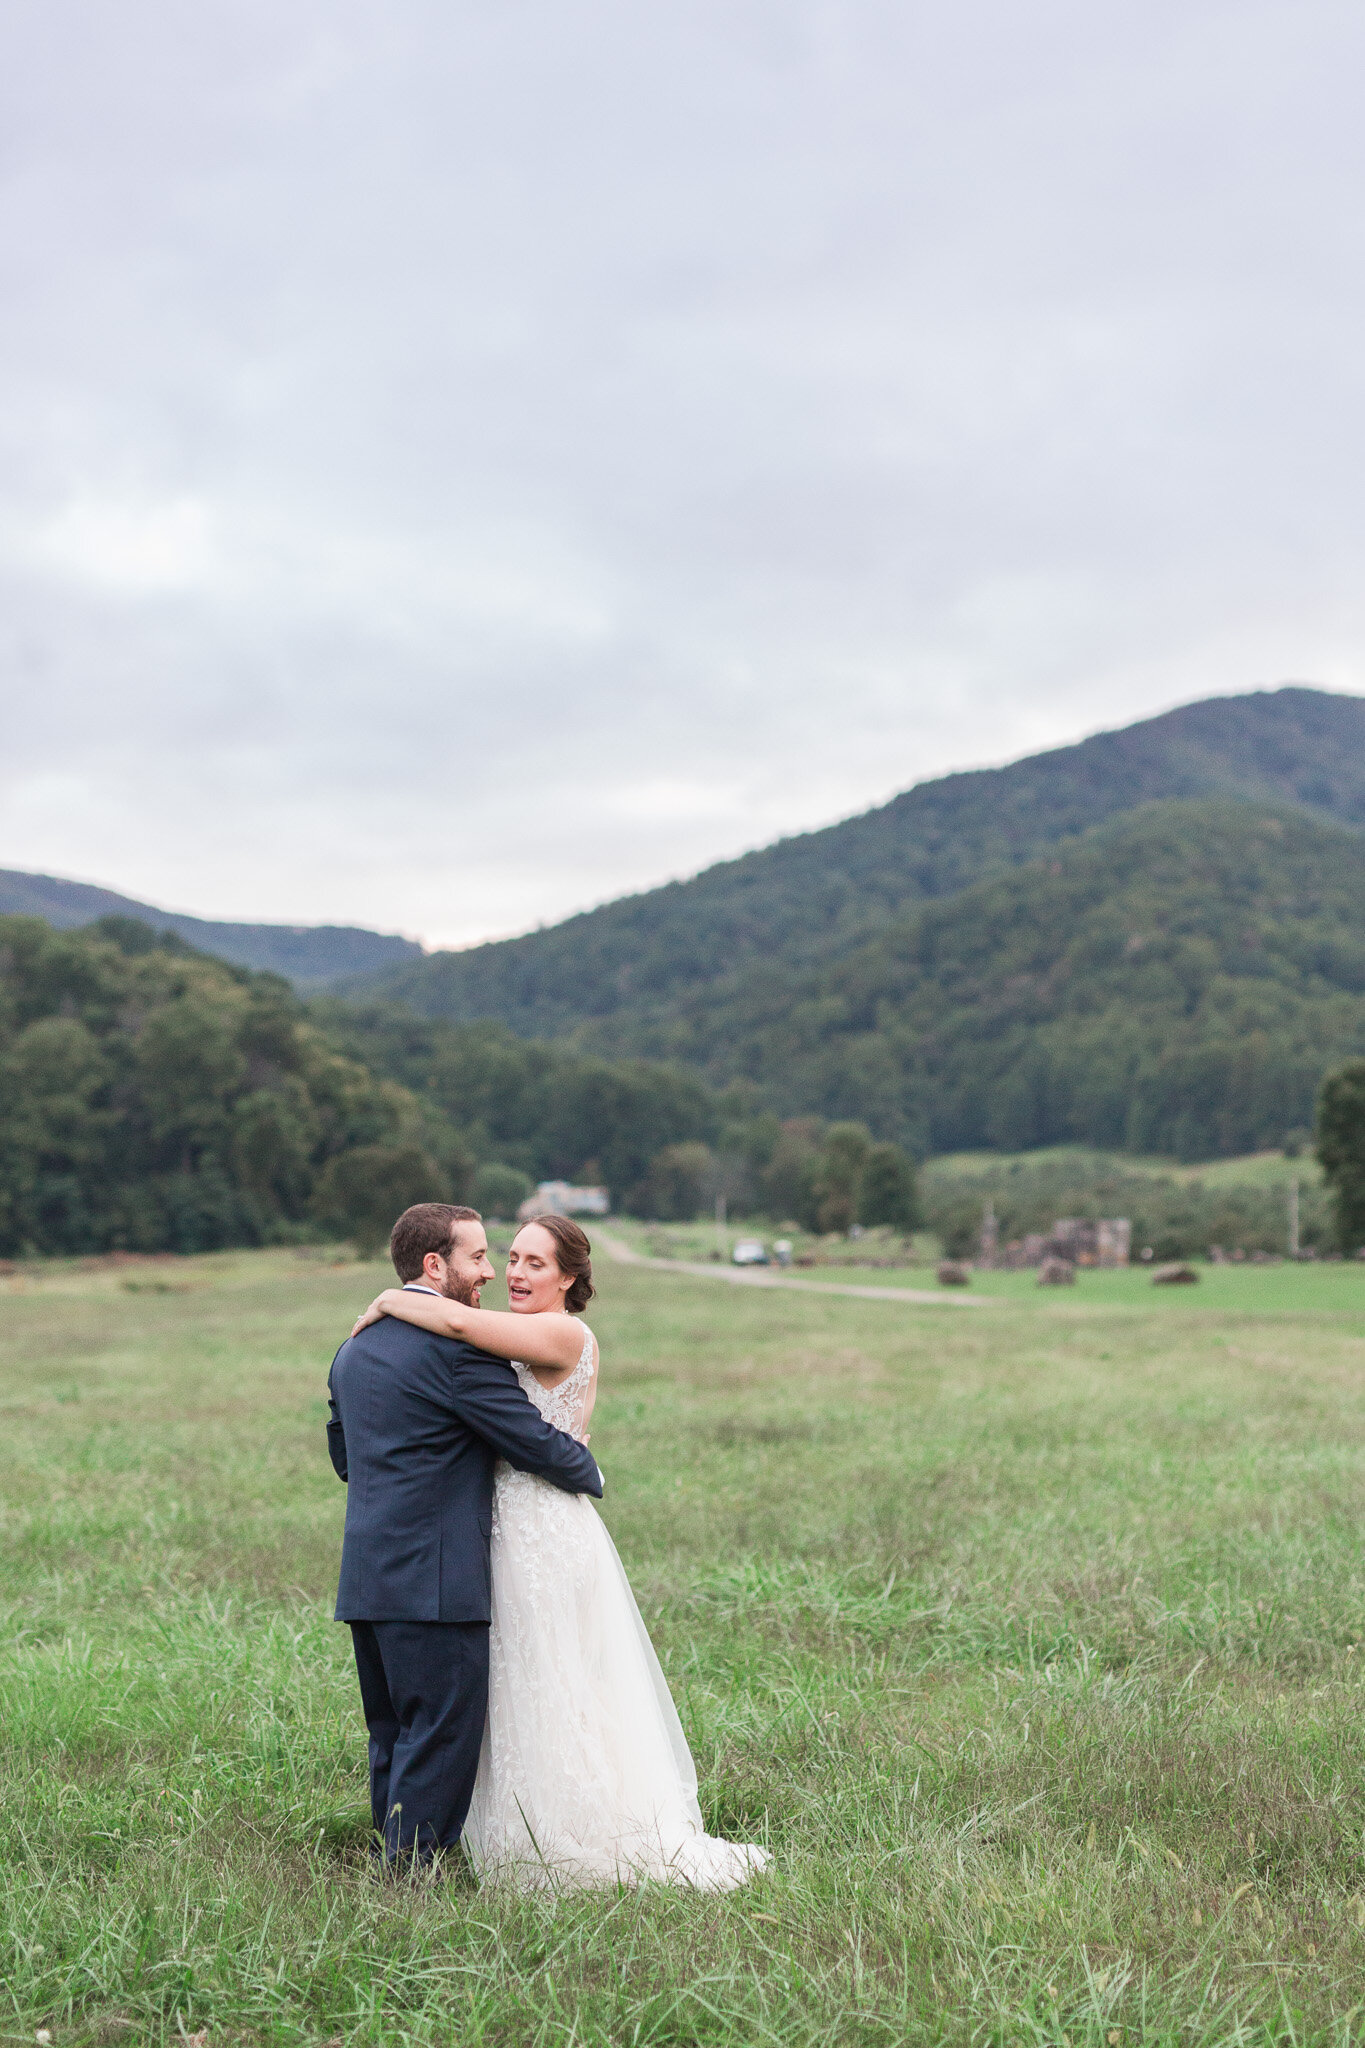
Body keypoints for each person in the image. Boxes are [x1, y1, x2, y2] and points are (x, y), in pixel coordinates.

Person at [351, 1211, 770, 1891]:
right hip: (496, 1528)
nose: (512, 1273)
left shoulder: (561, 1331)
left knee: (553, 1679)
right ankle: (501, 1826)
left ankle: (570, 1832)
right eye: (509, 1258)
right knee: (518, 1683)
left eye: (533, 1263)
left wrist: (392, 1297)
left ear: (570, 1277)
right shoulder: (511, 1336)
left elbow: (456, 1325)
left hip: (542, 1526)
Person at [326, 1202, 604, 1869]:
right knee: (441, 1733)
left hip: (368, 1573)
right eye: (480, 1257)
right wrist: (585, 1466)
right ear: (435, 1263)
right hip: (436, 1579)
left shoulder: (355, 1345)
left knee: (390, 1732)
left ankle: (394, 1858)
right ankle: (410, 1878)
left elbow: (346, 1459)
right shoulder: (459, 1355)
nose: (489, 1272)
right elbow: (530, 1440)